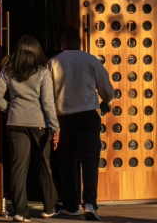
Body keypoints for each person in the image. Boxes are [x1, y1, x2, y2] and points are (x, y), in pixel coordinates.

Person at [0, 34, 60, 222]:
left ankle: (20, 212)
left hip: (15, 123)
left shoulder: (8, 71)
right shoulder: (42, 72)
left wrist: (11, 108)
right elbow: (47, 103)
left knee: (18, 167)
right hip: (39, 124)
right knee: (43, 165)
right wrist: (55, 126)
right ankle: (49, 208)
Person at [48, 26, 114, 221]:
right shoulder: (91, 60)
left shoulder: (53, 62)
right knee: (89, 162)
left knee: (68, 163)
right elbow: (107, 89)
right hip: (88, 116)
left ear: (62, 42)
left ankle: (71, 205)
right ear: (80, 42)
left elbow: (48, 95)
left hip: (64, 117)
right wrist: (106, 101)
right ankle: (90, 204)